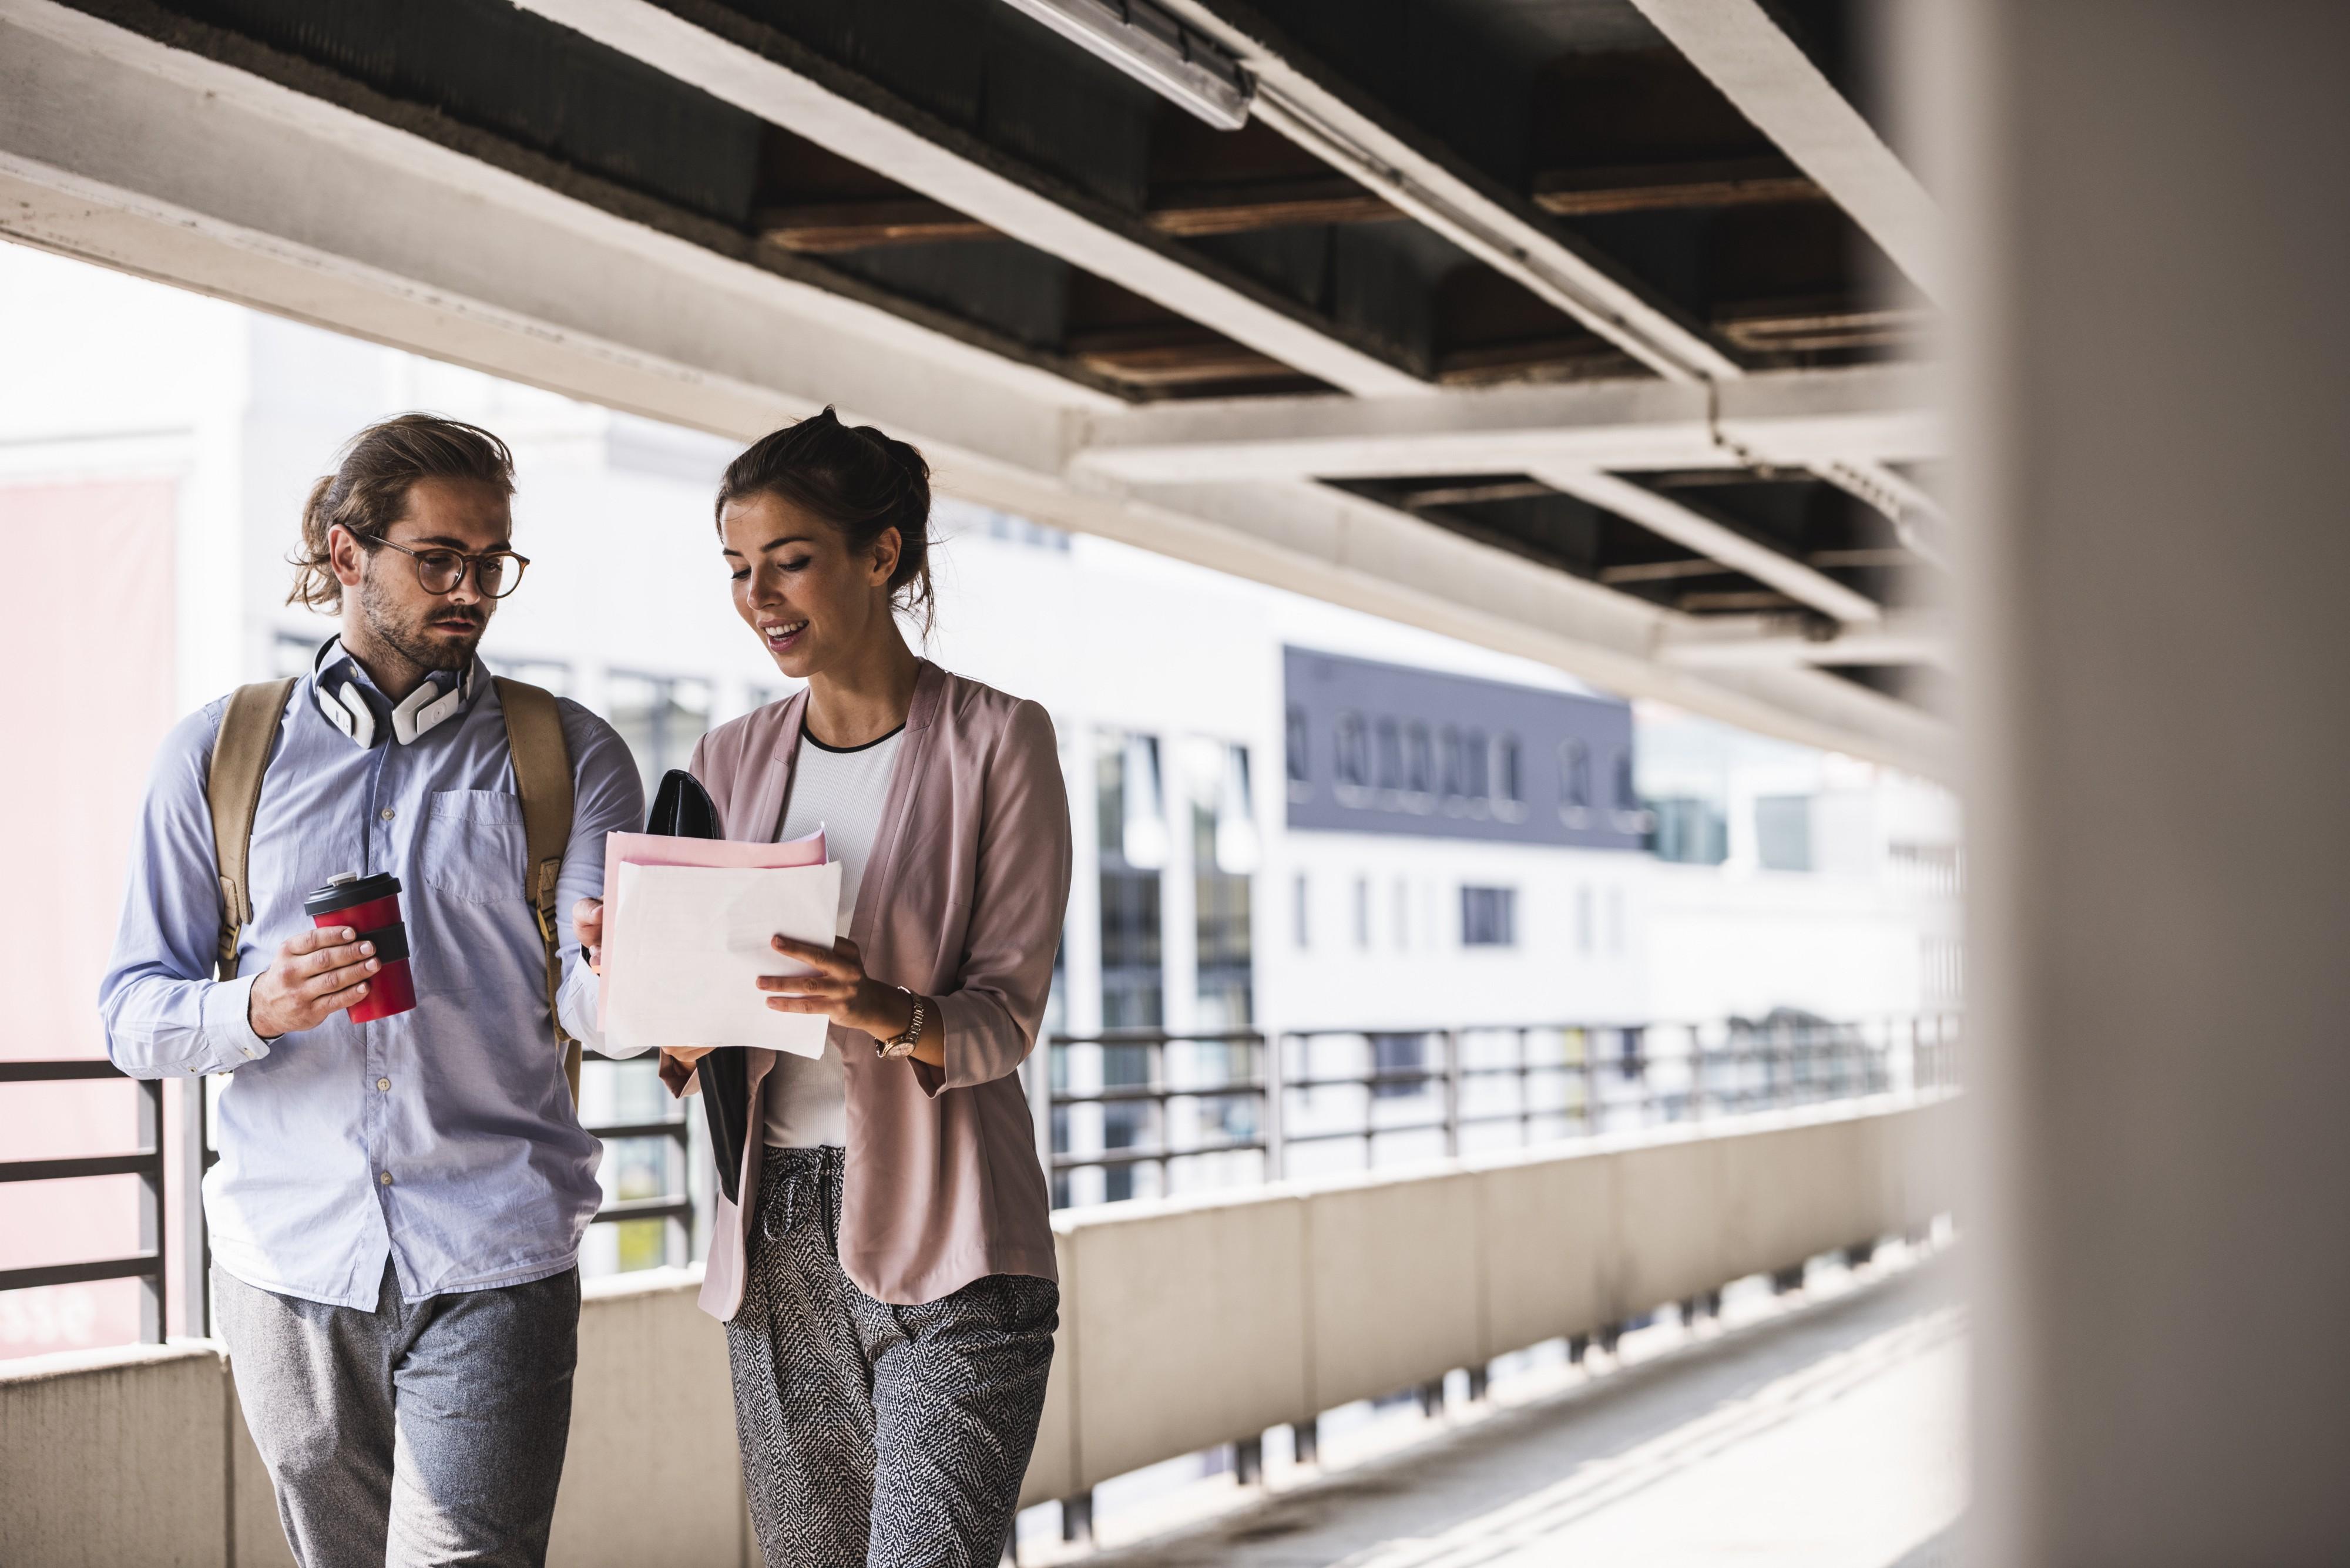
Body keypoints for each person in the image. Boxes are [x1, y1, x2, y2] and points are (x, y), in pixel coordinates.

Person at [99, 415, 644, 1568]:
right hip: (288, 1258)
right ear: (346, 553)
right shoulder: (217, 756)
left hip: (496, 1243)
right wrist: (256, 1007)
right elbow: (131, 1013)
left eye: (491, 562)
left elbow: (598, 1007)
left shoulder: (569, 754)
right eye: (438, 559)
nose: (472, 590)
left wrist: (640, 979)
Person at [574, 408, 1071, 1567]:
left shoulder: (999, 741)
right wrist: (646, 974)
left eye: (790, 561)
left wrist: (874, 1001)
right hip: (774, 1228)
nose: (759, 596)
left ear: (881, 554)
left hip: (957, 1229)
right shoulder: (727, 758)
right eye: (738, 569)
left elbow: (1006, 1016)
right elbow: (706, 1026)